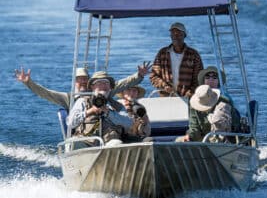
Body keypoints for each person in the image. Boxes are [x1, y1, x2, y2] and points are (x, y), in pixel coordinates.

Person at [15, 62, 152, 111]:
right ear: (74, 82)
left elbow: (125, 83)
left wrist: (139, 75)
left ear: (89, 83)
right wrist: (28, 83)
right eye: (78, 79)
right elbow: (45, 93)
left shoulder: (103, 90)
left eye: (84, 79)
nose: (81, 82)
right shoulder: (69, 98)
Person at [67, 71, 133, 146]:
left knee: (116, 143)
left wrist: (108, 113)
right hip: (85, 141)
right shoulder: (82, 101)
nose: (103, 86)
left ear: (110, 87)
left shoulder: (117, 106)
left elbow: (129, 124)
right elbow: (70, 123)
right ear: (92, 87)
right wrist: (90, 111)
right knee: (73, 143)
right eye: (99, 83)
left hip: (110, 143)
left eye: (106, 83)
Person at [178, 66, 240, 142]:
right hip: (204, 139)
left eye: (214, 77)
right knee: (179, 140)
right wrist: (189, 137)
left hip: (224, 139)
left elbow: (234, 125)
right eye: (207, 77)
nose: (211, 80)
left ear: (219, 81)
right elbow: (194, 127)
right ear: (203, 81)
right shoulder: (194, 104)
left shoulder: (224, 101)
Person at [149, 22, 203, 98]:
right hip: (166, 98)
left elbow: (199, 78)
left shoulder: (194, 54)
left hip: (188, 98)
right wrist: (164, 86)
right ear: (170, 36)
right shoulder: (162, 53)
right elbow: (153, 76)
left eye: (179, 33)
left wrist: (190, 92)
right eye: (173, 33)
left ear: (184, 35)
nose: (175, 35)